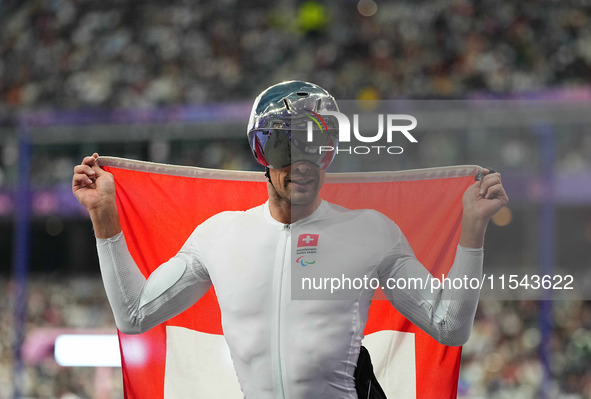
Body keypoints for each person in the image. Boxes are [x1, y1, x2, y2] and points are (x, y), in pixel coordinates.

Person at [72, 80, 508, 399]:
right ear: (261, 152)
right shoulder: (218, 235)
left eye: (317, 143)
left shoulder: (372, 231)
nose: (302, 161)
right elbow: (134, 314)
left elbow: (450, 327)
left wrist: (473, 229)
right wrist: (103, 214)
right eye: (285, 145)